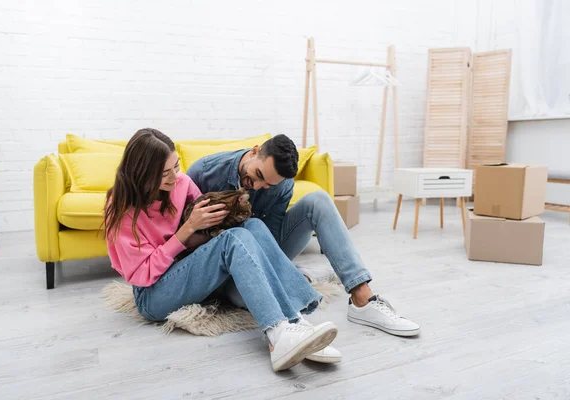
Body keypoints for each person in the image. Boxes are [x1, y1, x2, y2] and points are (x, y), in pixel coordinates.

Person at [104, 128, 340, 372]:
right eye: (164, 174)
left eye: (176, 167)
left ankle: (297, 321)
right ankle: (278, 333)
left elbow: (208, 232)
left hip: (188, 272)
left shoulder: (182, 183)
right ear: (141, 173)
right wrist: (186, 231)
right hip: (153, 294)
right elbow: (143, 275)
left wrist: (227, 214)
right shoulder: (120, 208)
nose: (175, 178)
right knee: (232, 239)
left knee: (253, 225)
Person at [186, 134, 421, 356]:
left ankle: (362, 299)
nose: (257, 186)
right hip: (224, 268)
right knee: (242, 284)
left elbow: (272, 240)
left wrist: (278, 269)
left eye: (267, 185)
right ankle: (290, 324)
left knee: (317, 200)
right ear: (255, 151)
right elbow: (180, 238)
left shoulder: (282, 184)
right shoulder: (204, 172)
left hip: (263, 250)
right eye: (257, 175)